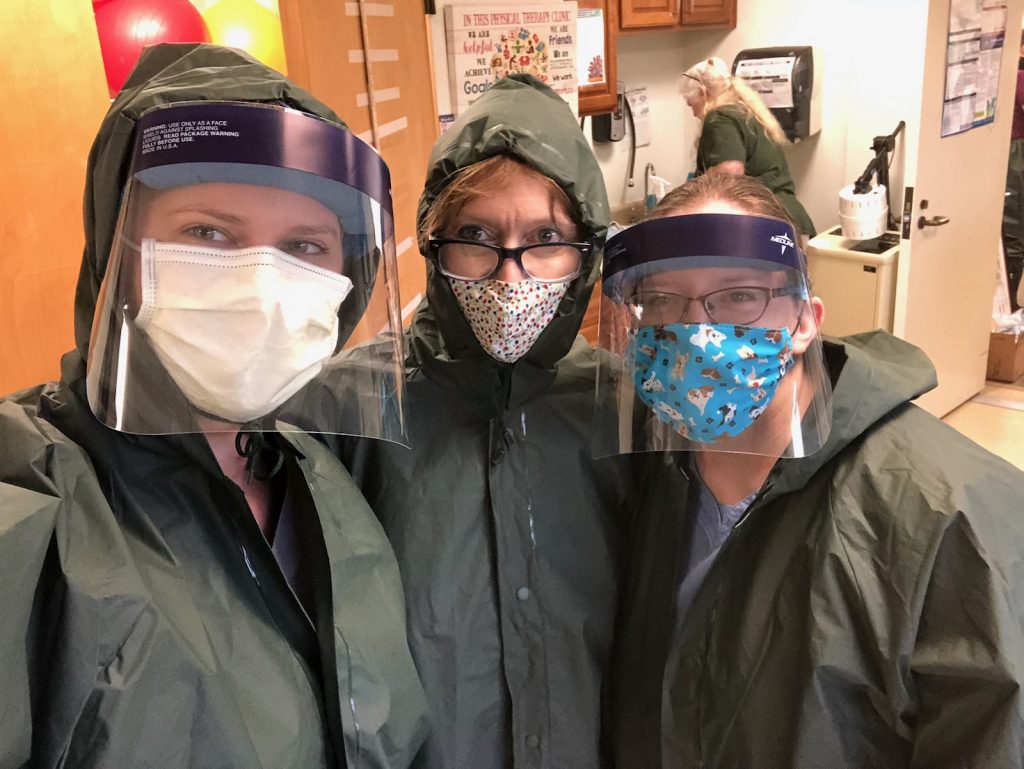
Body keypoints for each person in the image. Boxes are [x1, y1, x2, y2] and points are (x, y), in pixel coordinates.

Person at [0, 43, 428, 768]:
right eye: (208, 233)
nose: (262, 287)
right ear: (123, 252)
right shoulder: (29, 492)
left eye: (304, 246)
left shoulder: (320, 480)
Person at [600, 173, 1024, 768]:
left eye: (739, 296)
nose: (696, 332)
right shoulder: (653, 482)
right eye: (663, 301)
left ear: (804, 321)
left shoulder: (949, 518)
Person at [330, 75, 632, 768]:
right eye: (476, 235)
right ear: (434, 243)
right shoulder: (354, 409)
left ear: (584, 251)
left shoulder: (620, 409)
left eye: (545, 237)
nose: (510, 276)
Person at [680, 56, 816, 238]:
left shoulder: (719, 118)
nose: (693, 112)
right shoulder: (743, 111)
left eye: (692, 104)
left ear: (703, 93)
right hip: (788, 221)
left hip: (766, 225)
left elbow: (729, 174)